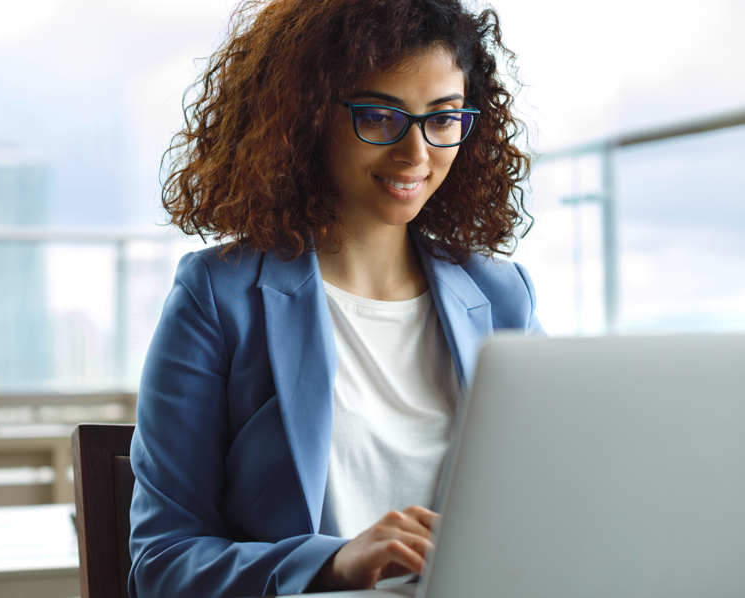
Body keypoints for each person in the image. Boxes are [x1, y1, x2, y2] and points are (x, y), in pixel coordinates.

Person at [128, 0, 543, 596]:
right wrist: (335, 563)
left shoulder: (504, 299)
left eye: (443, 118)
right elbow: (162, 562)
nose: (416, 154)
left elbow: (560, 500)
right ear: (307, 114)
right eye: (380, 116)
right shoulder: (219, 298)